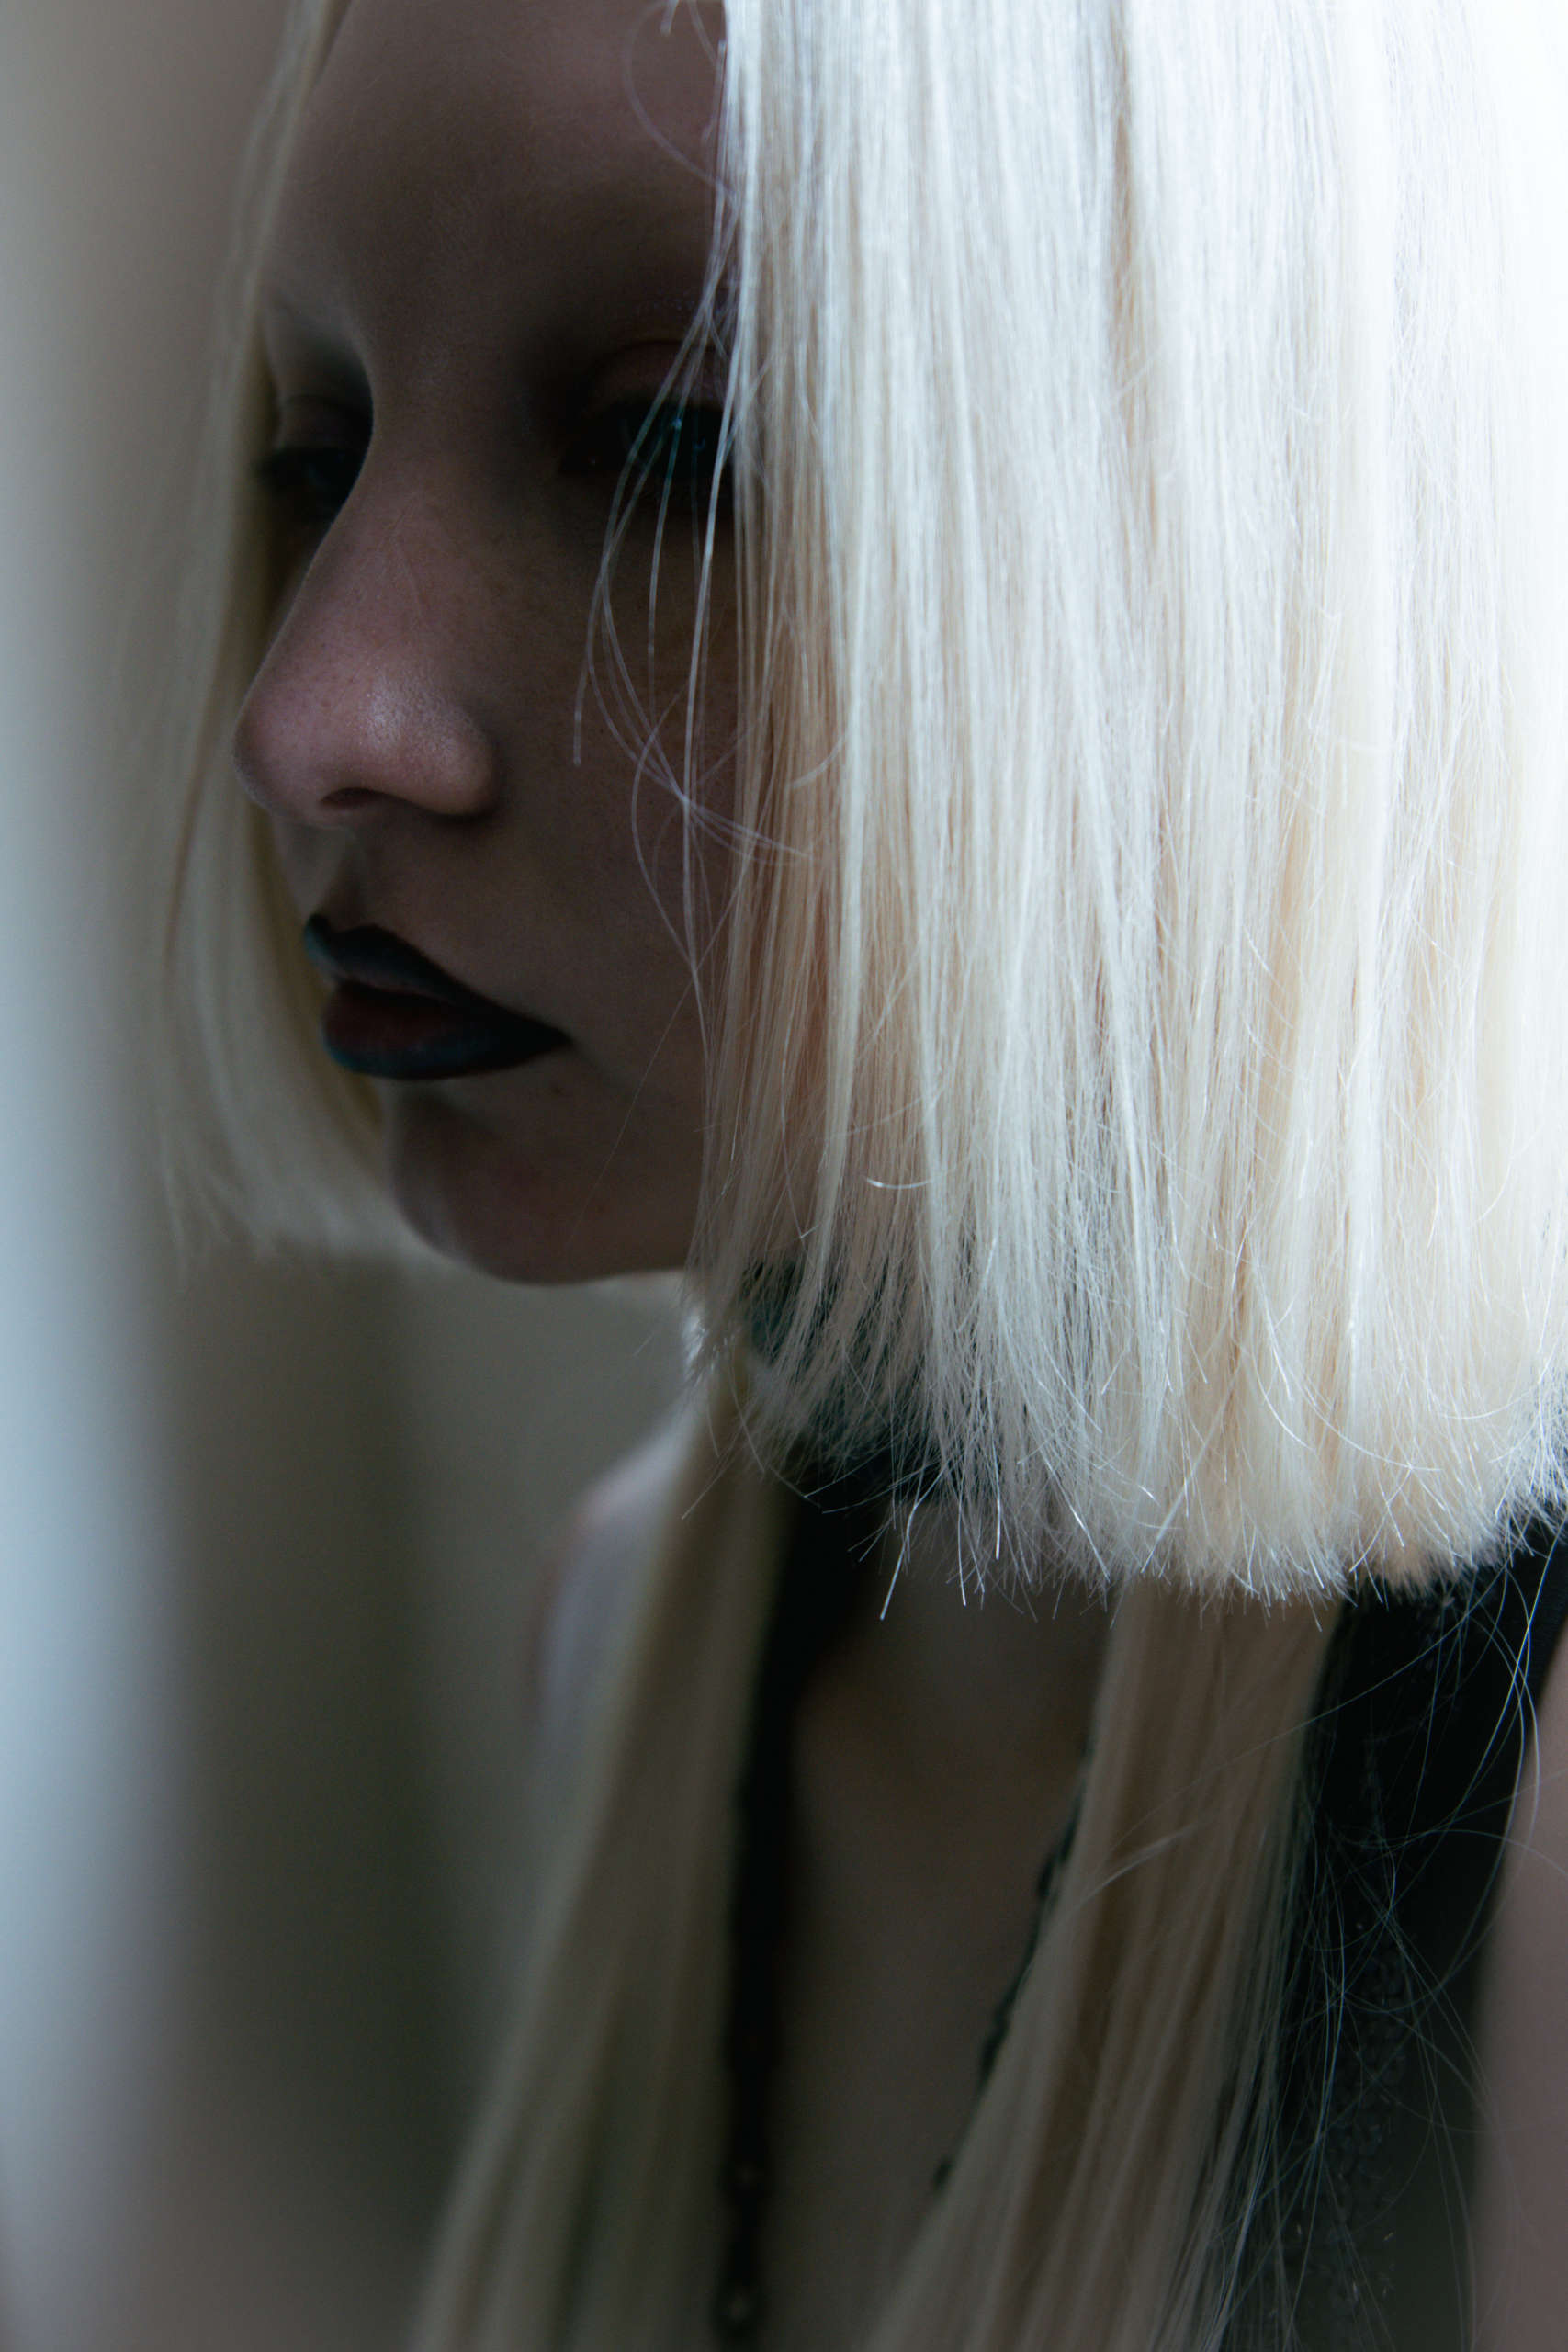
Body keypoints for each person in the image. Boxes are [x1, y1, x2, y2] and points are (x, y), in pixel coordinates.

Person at [159, 0, 1568, 2344]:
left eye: (666, 447)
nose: (307, 720)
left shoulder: (1517, 1872)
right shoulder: (623, 1651)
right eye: (318, 454)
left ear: (1247, 547)